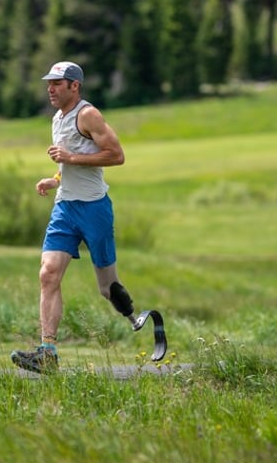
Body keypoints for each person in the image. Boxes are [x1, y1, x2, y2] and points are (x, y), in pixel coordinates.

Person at [11, 61, 166, 374]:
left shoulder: (88, 114)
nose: (50, 89)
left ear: (74, 86)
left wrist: (71, 158)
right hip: (65, 207)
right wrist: (56, 178)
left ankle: (134, 318)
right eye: (49, 83)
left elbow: (116, 155)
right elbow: (68, 161)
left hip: (94, 208)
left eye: (57, 83)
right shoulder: (57, 118)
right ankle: (48, 352)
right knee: (48, 273)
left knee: (107, 288)